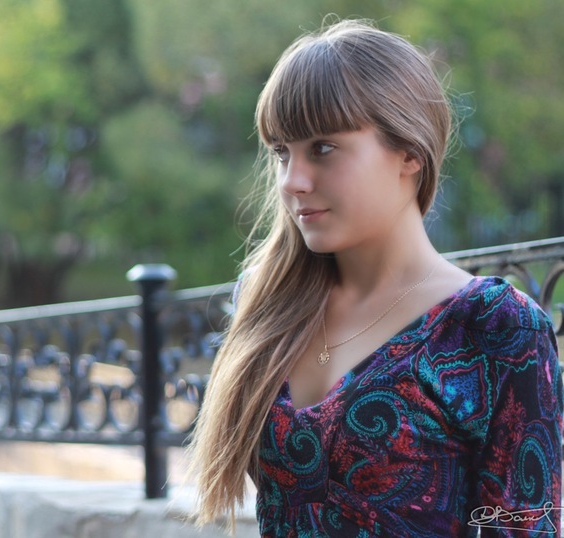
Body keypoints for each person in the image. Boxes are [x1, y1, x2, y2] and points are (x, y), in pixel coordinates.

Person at [186, 18, 563, 537]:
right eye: (281, 153)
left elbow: (525, 525)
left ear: (409, 152)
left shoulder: (494, 327)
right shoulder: (267, 299)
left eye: (323, 148)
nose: (293, 181)